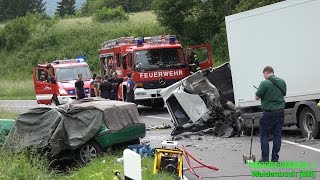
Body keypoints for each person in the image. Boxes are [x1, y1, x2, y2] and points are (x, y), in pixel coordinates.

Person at [255, 66, 286, 162]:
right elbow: (284, 93)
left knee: (264, 135)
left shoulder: (264, 83)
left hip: (269, 112)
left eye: (264, 74)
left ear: (266, 73)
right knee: (277, 135)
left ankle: (265, 159)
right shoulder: (281, 81)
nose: (264, 76)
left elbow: (257, 97)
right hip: (280, 111)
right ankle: (275, 158)